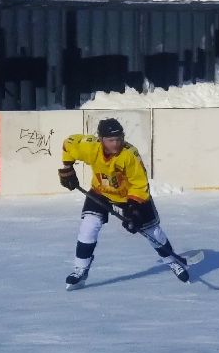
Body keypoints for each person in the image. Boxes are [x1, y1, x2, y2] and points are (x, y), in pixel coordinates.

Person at [58, 117, 190, 289]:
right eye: (111, 140)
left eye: (119, 139)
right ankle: (80, 269)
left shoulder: (129, 154)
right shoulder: (89, 147)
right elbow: (69, 143)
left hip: (130, 197)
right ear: (101, 139)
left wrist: (133, 210)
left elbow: (139, 184)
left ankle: (173, 261)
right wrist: (68, 167)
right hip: (101, 192)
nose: (116, 143)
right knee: (88, 226)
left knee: (152, 231)